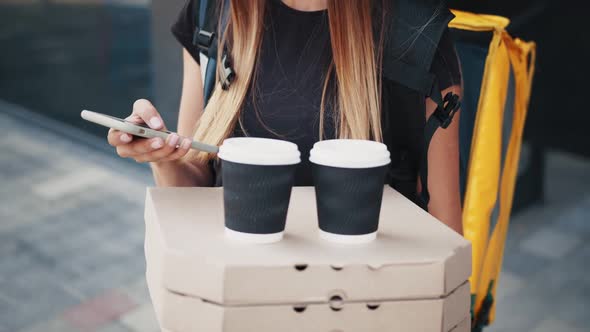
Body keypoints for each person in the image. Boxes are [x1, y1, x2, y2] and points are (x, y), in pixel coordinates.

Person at [107, 0, 463, 234]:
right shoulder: (212, 11)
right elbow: (195, 189)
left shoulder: (415, 33)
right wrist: (162, 157)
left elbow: (445, 239)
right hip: (240, 302)